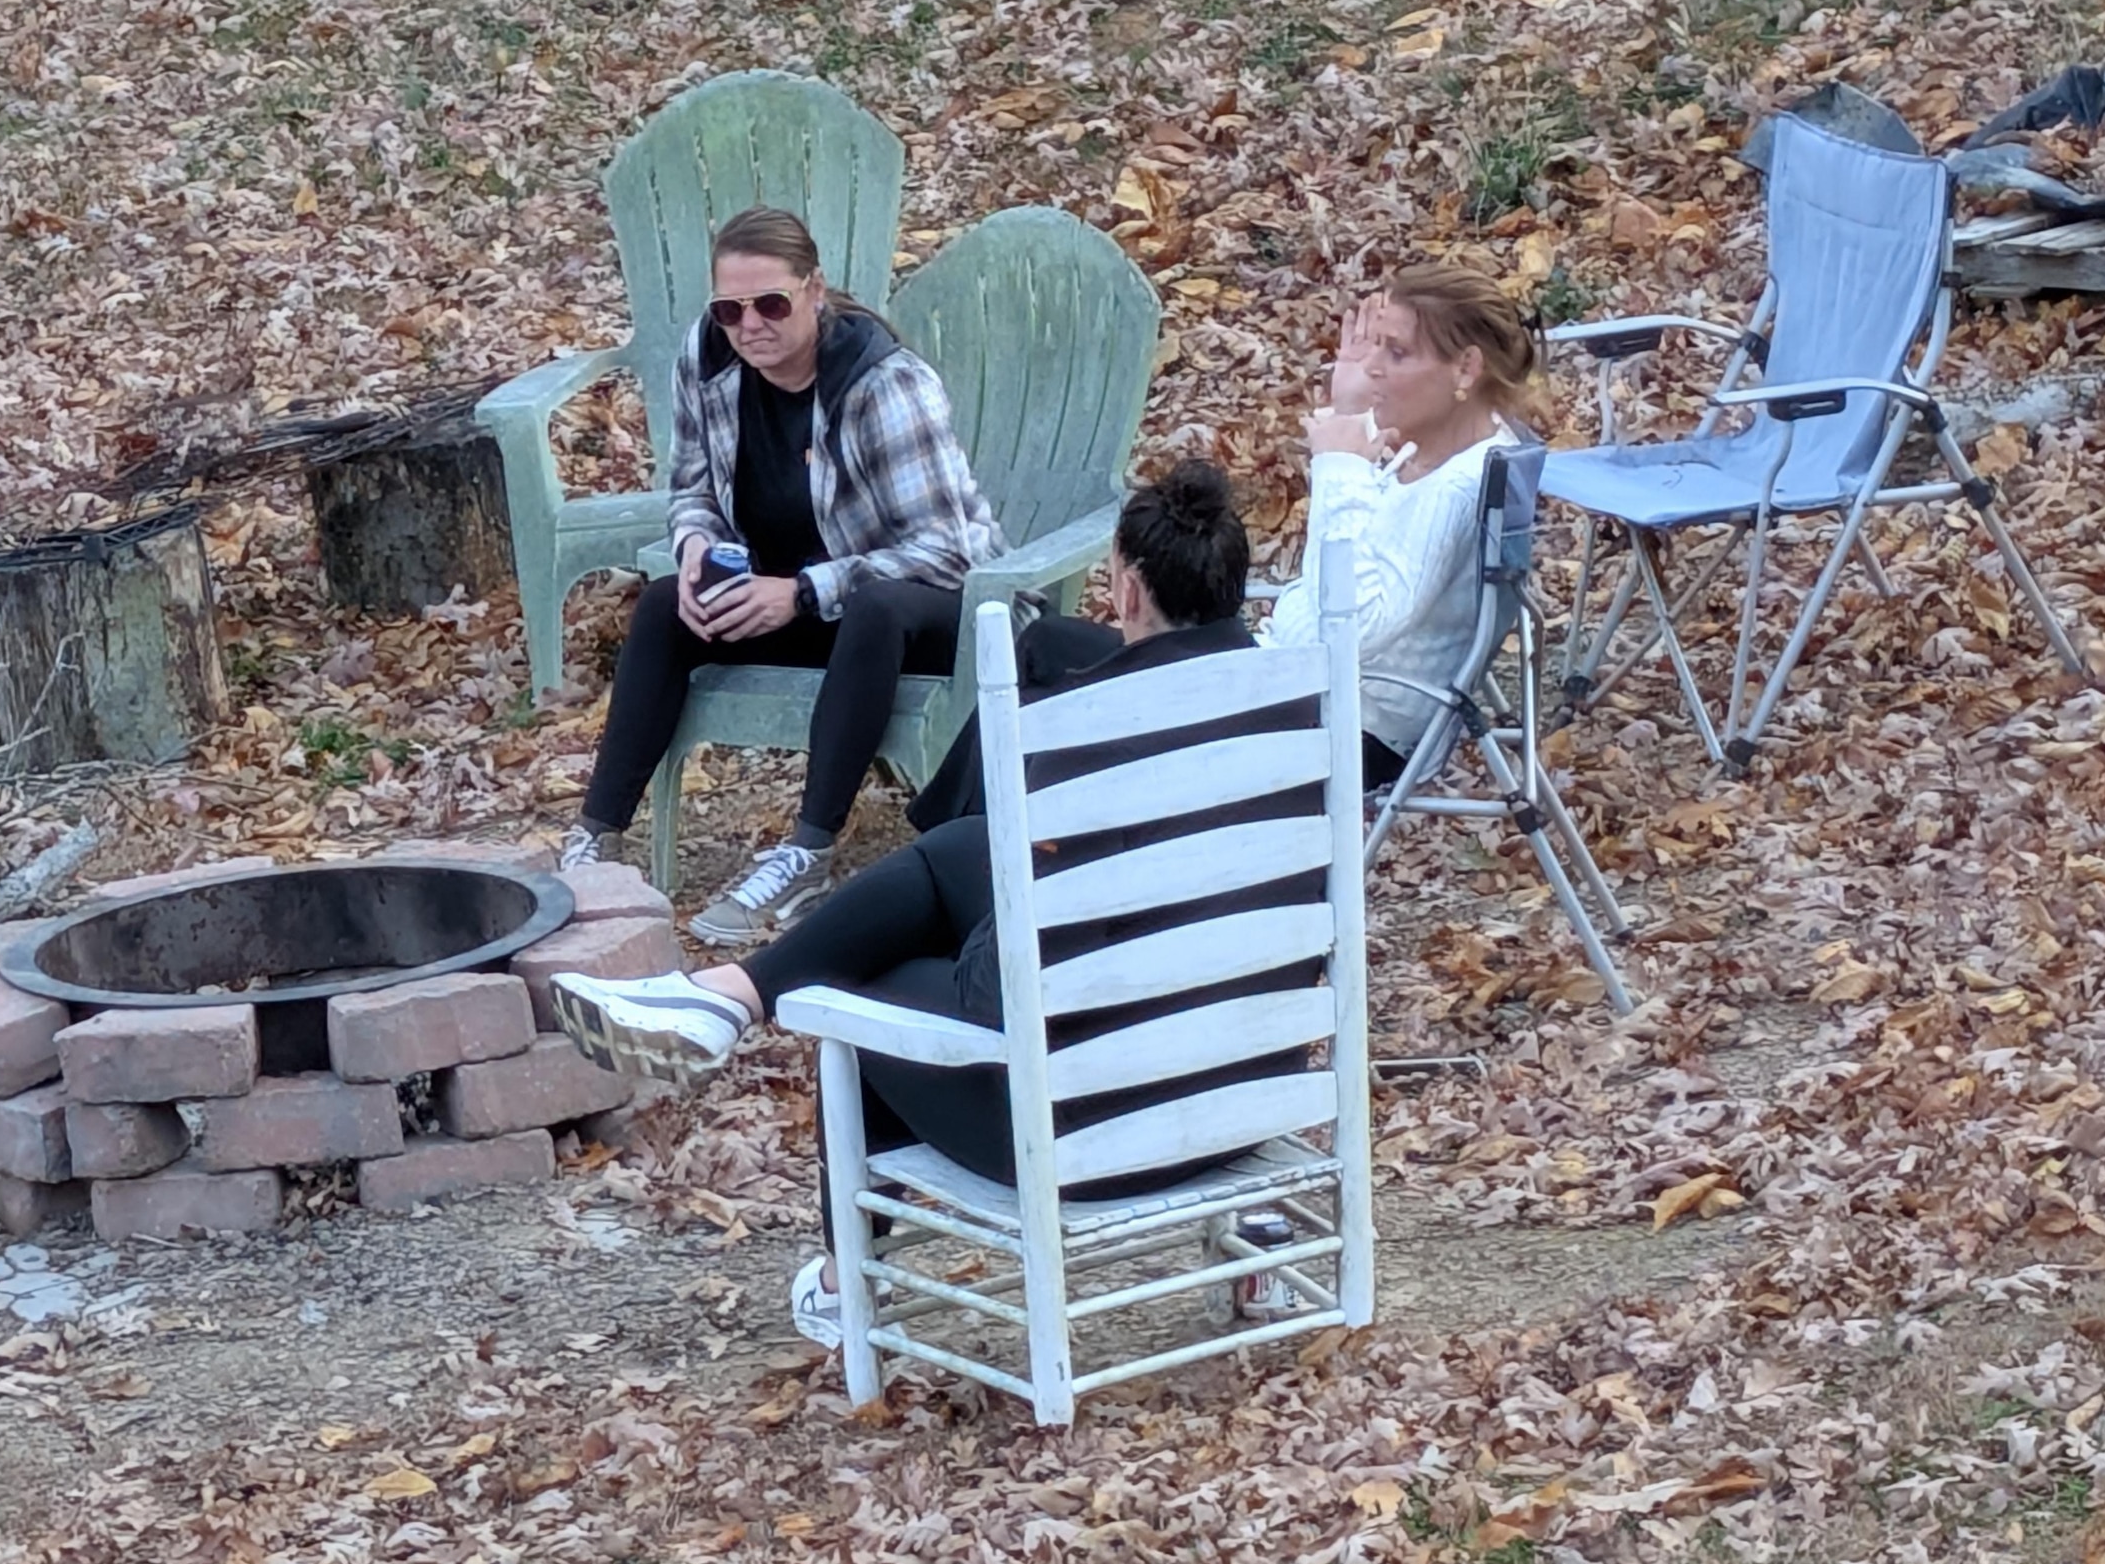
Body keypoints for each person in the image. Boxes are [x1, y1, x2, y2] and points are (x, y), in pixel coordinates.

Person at [548, 460, 1324, 1325]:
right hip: (1249, 1096)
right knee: (957, 852)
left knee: (858, 991)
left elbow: (993, 989)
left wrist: (935, 937)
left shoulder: (1078, 739)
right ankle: (729, 994)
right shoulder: (1304, 712)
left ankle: (845, 1287)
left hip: (1101, 1134)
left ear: (1129, 591)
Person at [559, 206, 996, 944]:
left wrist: (802, 591)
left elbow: (951, 551)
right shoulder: (708, 361)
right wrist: (696, 549)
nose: (749, 325)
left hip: (931, 612)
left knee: (876, 608)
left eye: (771, 303)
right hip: (800, 606)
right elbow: (691, 490)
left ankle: (807, 852)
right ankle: (596, 837)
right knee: (664, 603)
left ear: (814, 290)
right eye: (729, 310)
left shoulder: (883, 385)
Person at [1269, 263, 1531, 801]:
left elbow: (1351, 626)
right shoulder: (1443, 446)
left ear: (1466, 369)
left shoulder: (1455, 489)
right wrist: (1349, 408)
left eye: (1397, 352)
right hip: (1310, 695)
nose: (1373, 367)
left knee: (1098, 676)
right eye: (1376, 347)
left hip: (1350, 729)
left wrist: (1341, 469)